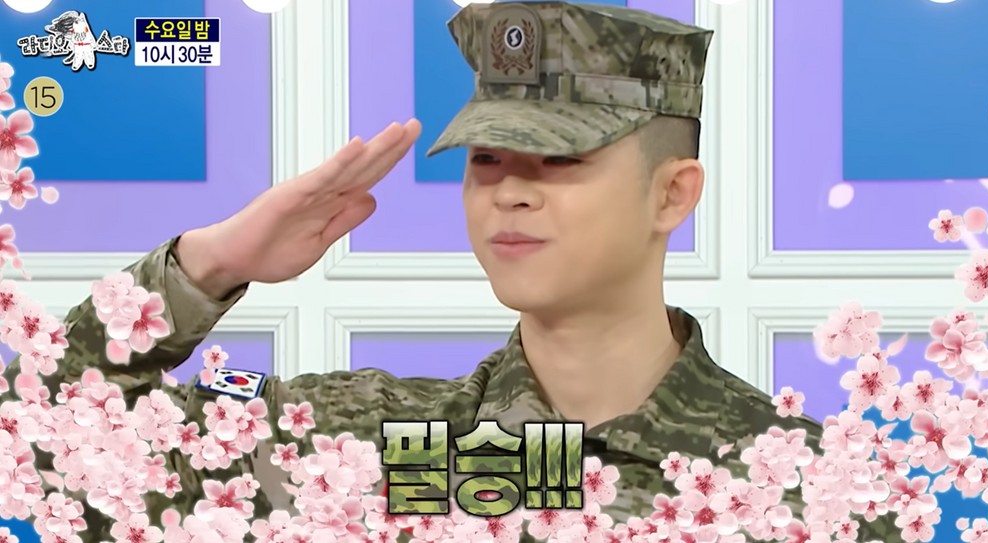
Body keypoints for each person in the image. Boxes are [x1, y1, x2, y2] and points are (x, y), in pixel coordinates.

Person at [2, 2, 903, 542]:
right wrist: (209, 264)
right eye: (487, 160)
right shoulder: (373, 443)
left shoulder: (804, 483)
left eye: (559, 160)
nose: (510, 192)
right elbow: (36, 447)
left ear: (673, 194)